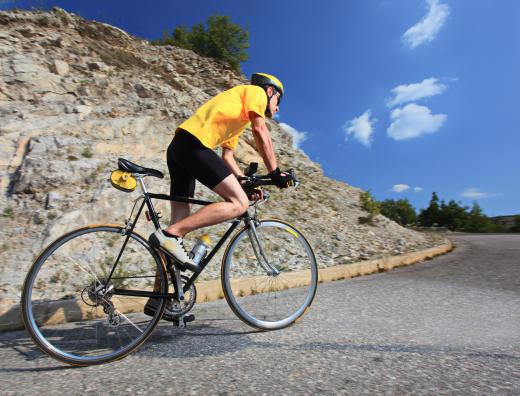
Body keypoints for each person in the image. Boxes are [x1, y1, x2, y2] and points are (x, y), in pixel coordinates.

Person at [148, 73, 296, 272]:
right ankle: (170, 235)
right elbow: (260, 130)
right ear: (270, 91)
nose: (277, 108)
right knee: (239, 204)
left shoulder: (238, 116)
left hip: (178, 148)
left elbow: (228, 157)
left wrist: (244, 183)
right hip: (195, 144)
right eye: (278, 100)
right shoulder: (256, 93)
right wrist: (275, 172)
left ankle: (158, 299)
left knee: (176, 233)